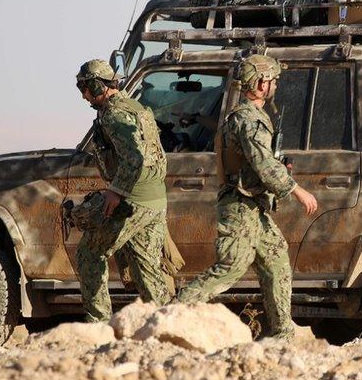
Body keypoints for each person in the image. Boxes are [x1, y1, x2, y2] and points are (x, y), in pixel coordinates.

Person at [175, 54, 317, 339]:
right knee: (230, 267)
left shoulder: (245, 116)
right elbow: (263, 165)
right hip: (241, 207)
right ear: (262, 84)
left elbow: (260, 161)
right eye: (273, 80)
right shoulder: (249, 120)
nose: (275, 85)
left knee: (276, 261)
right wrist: (297, 190)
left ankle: (283, 333)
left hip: (254, 206)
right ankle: (174, 313)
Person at [73, 59, 173, 321]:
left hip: (133, 201)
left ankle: (99, 324)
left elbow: (134, 158)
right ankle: (169, 323)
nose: (83, 95)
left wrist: (115, 191)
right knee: (146, 268)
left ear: (97, 85)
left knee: (89, 254)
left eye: (84, 87)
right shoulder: (134, 107)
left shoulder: (115, 114)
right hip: (153, 200)